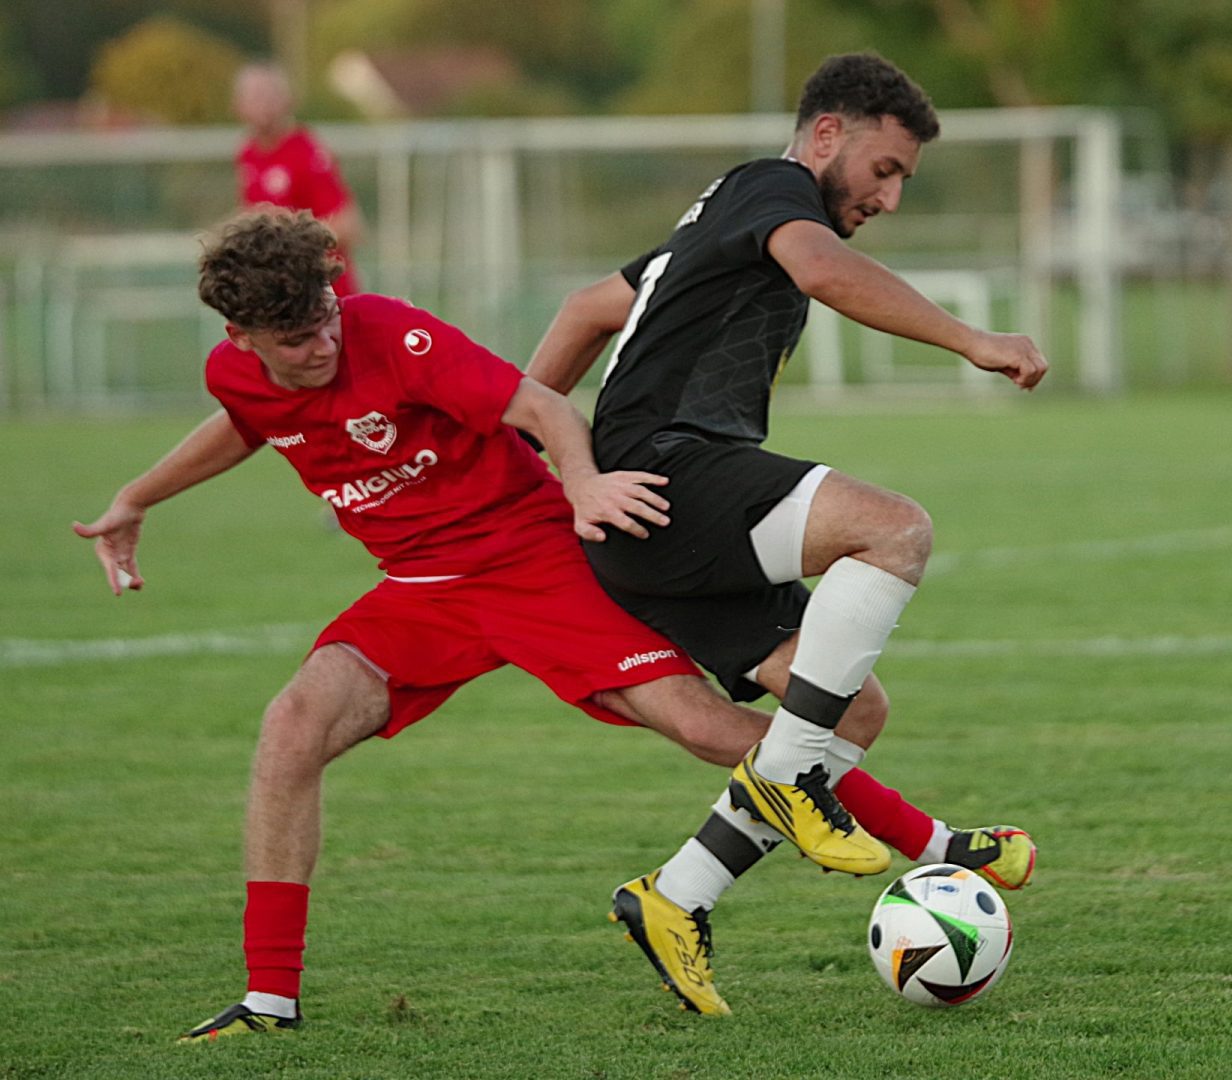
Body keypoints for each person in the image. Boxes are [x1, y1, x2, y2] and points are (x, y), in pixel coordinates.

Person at [71, 210, 1024, 1037]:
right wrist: (137, 496)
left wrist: (582, 485)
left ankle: (932, 841)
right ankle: (267, 1001)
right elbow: (248, 422)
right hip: (419, 590)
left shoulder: (391, 335)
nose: (321, 344)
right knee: (289, 730)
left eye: (326, 317)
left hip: (534, 558)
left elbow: (539, 404)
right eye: (295, 339)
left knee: (707, 729)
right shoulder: (238, 375)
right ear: (241, 337)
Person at [527, 52, 1048, 1015]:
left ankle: (675, 897)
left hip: (650, 512)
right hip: (666, 475)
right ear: (826, 135)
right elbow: (821, 267)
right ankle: (795, 780)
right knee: (894, 529)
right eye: (884, 170)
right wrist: (973, 340)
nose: (889, 198)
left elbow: (588, 309)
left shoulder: (719, 221)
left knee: (853, 712)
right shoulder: (774, 190)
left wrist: (533, 447)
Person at [233, 62, 364, 295]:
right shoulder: (247, 153)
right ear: (238, 105)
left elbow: (349, 226)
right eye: (255, 96)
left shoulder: (307, 151)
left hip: (324, 292)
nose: (264, 105)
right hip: (283, 294)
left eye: (270, 95)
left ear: (288, 100)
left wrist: (287, 237)